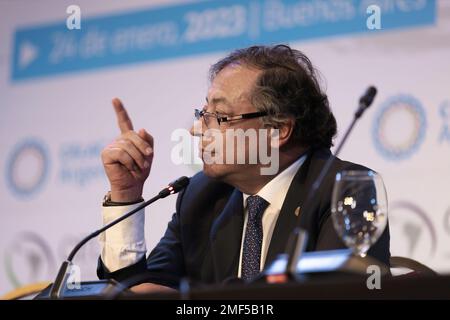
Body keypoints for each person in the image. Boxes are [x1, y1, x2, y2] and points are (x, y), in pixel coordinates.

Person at [97, 44, 390, 293]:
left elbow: (338, 293)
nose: (197, 129)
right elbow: (142, 289)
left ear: (279, 130)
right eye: (203, 114)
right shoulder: (202, 196)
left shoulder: (344, 190)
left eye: (219, 117)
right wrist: (126, 193)